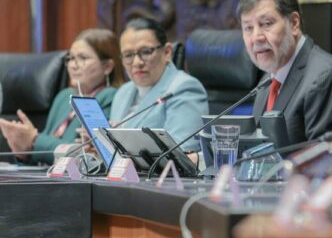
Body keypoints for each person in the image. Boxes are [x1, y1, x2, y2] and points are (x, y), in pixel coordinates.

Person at [239, 0, 332, 145]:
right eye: (248, 28)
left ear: (294, 23)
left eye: (266, 24)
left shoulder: (326, 77)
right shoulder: (267, 81)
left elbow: (327, 157)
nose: (256, 37)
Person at [0, 28, 126, 165]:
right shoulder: (64, 96)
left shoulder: (112, 97)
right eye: (70, 58)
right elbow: (41, 152)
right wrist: (23, 152)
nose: (73, 65)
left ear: (107, 67)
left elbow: (82, 154)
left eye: (83, 58)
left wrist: (34, 139)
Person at [111, 18, 208, 153]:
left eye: (146, 52)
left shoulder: (185, 88)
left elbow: (181, 153)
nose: (137, 62)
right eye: (128, 55)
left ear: (167, 52)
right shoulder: (122, 92)